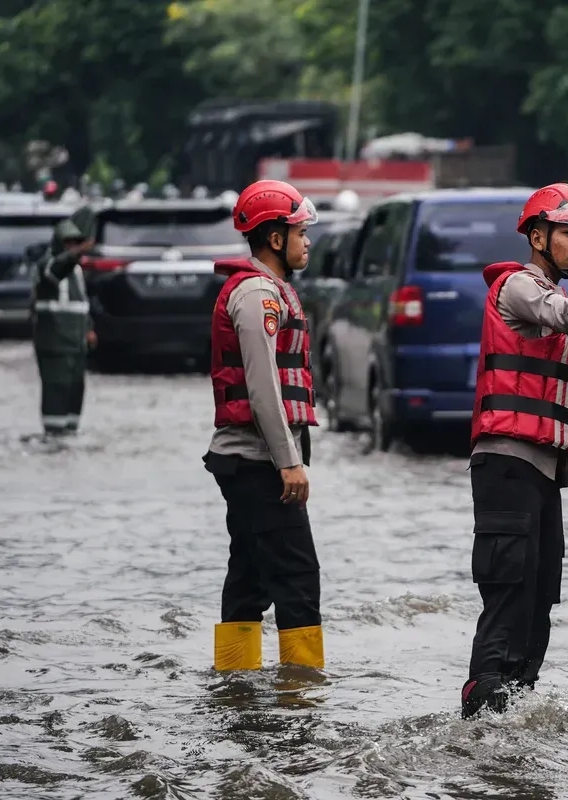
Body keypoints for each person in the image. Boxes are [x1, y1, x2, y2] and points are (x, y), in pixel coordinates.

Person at [461, 183, 568, 718]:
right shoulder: (518, 287)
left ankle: (515, 736)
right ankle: (479, 724)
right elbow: (567, 315)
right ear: (538, 236)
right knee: (508, 600)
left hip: (543, 471)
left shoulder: (554, 296)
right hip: (506, 464)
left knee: (538, 603)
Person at [204, 179, 324, 672]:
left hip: (249, 460)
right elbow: (263, 389)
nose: (307, 241)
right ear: (275, 239)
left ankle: (235, 689)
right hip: (257, 463)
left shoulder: (267, 289)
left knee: (249, 576)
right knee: (298, 577)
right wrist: (289, 463)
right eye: (300, 232)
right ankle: (302, 697)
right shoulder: (257, 294)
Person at [30, 217, 96, 436]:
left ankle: (70, 434)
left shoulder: (77, 271)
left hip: (76, 344)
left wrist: (89, 329)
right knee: (56, 389)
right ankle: (52, 436)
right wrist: (77, 252)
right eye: (68, 243)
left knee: (76, 389)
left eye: (76, 242)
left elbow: (82, 304)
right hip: (54, 343)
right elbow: (56, 270)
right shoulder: (47, 265)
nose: (73, 247)